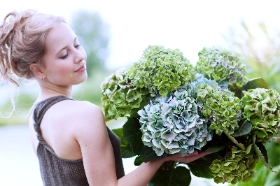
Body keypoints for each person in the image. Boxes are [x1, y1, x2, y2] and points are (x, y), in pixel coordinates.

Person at [0, 9, 210, 186]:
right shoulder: (85, 114)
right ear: (38, 70)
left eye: (76, 44)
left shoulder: (35, 118)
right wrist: (161, 159)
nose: (80, 55)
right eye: (64, 54)